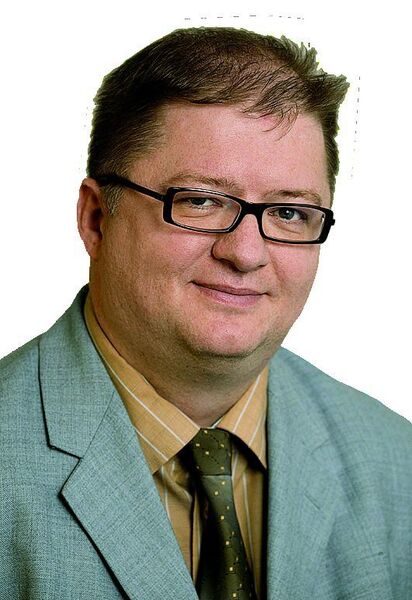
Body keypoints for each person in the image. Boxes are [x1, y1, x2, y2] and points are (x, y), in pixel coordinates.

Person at [1, 26, 411, 600]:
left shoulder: (395, 460)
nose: (246, 253)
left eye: (289, 213)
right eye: (200, 201)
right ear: (96, 219)